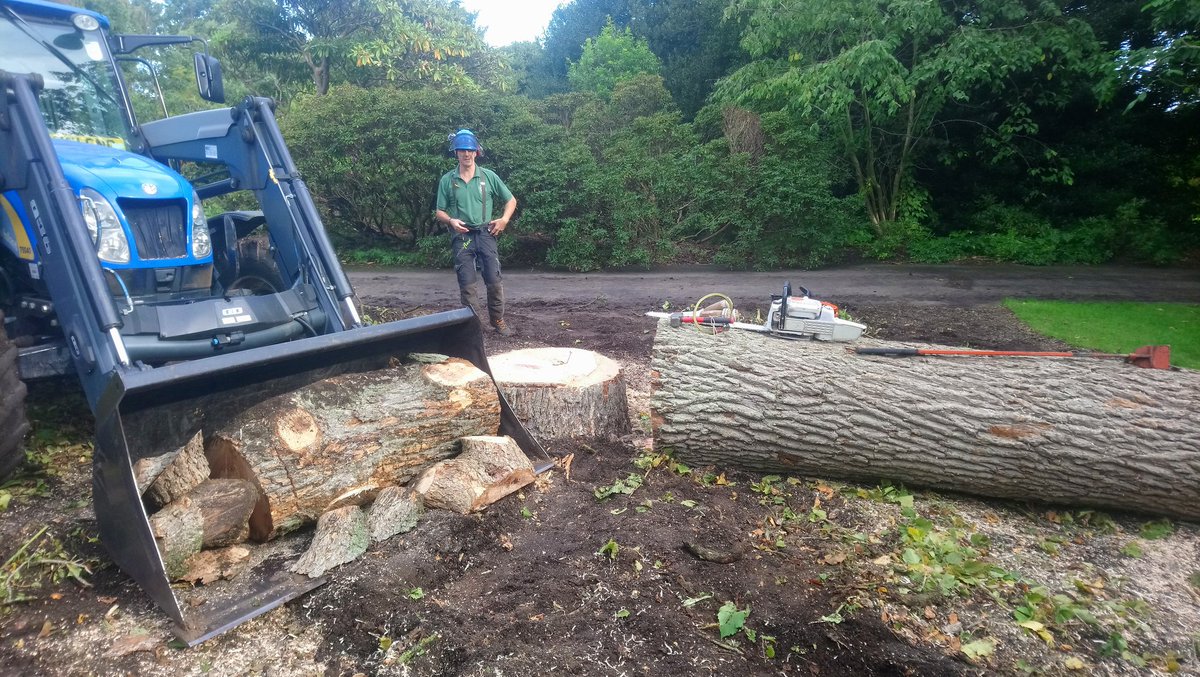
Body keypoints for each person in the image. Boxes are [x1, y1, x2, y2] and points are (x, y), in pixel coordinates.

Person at [434, 129, 517, 337]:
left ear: (477, 152)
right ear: (456, 153)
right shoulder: (448, 180)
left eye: (470, 150)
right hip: (462, 237)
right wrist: (451, 220)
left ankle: (498, 320)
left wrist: (504, 220)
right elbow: (439, 211)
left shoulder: (488, 177)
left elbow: (511, 200)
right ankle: (474, 327)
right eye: (462, 150)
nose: (466, 154)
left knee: (493, 279)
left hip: (486, 233)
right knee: (467, 282)